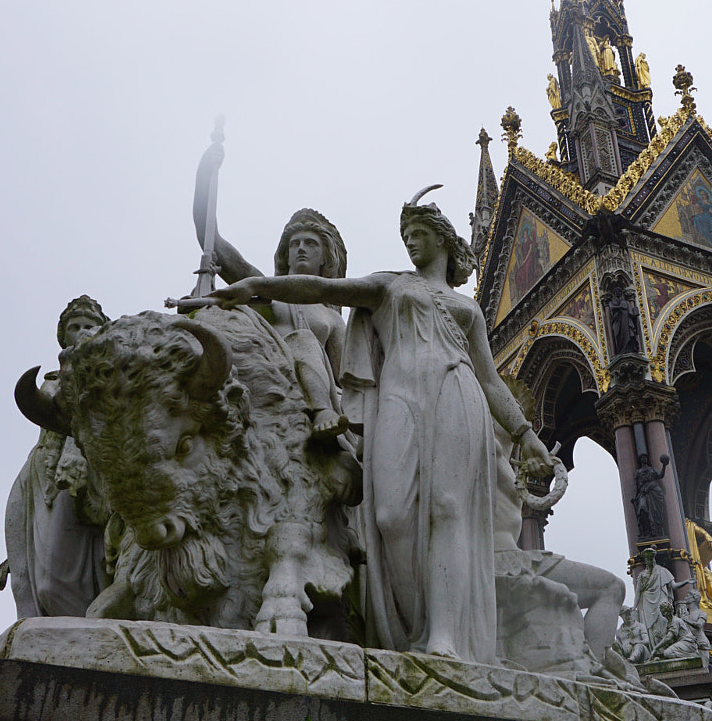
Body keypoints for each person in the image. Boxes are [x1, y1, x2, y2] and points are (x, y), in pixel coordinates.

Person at [196, 191, 554, 664]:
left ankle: (442, 636)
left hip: (456, 388)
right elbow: (320, 290)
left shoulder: (467, 309)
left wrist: (526, 435)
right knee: (391, 518)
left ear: (444, 241)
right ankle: (412, 627)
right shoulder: (389, 284)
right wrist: (255, 286)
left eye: (419, 235)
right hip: (400, 399)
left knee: (447, 507)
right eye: (406, 236)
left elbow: (489, 380)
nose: (411, 244)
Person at [193, 155, 349, 441]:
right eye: (295, 244)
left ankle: (323, 411)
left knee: (304, 339)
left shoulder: (332, 318)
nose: (301, 249)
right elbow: (212, 239)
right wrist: (205, 177)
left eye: (311, 244)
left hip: (319, 386)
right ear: (285, 254)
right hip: (264, 371)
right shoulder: (262, 289)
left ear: (325, 258)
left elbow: (345, 379)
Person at [6, 296, 110, 618]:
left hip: (79, 468)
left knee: (54, 582)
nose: (81, 332)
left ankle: (87, 623)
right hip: (37, 473)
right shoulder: (53, 380)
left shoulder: (109, 381)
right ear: (63, 336)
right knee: (29, 578)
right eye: (74, 327)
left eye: (89, 326)